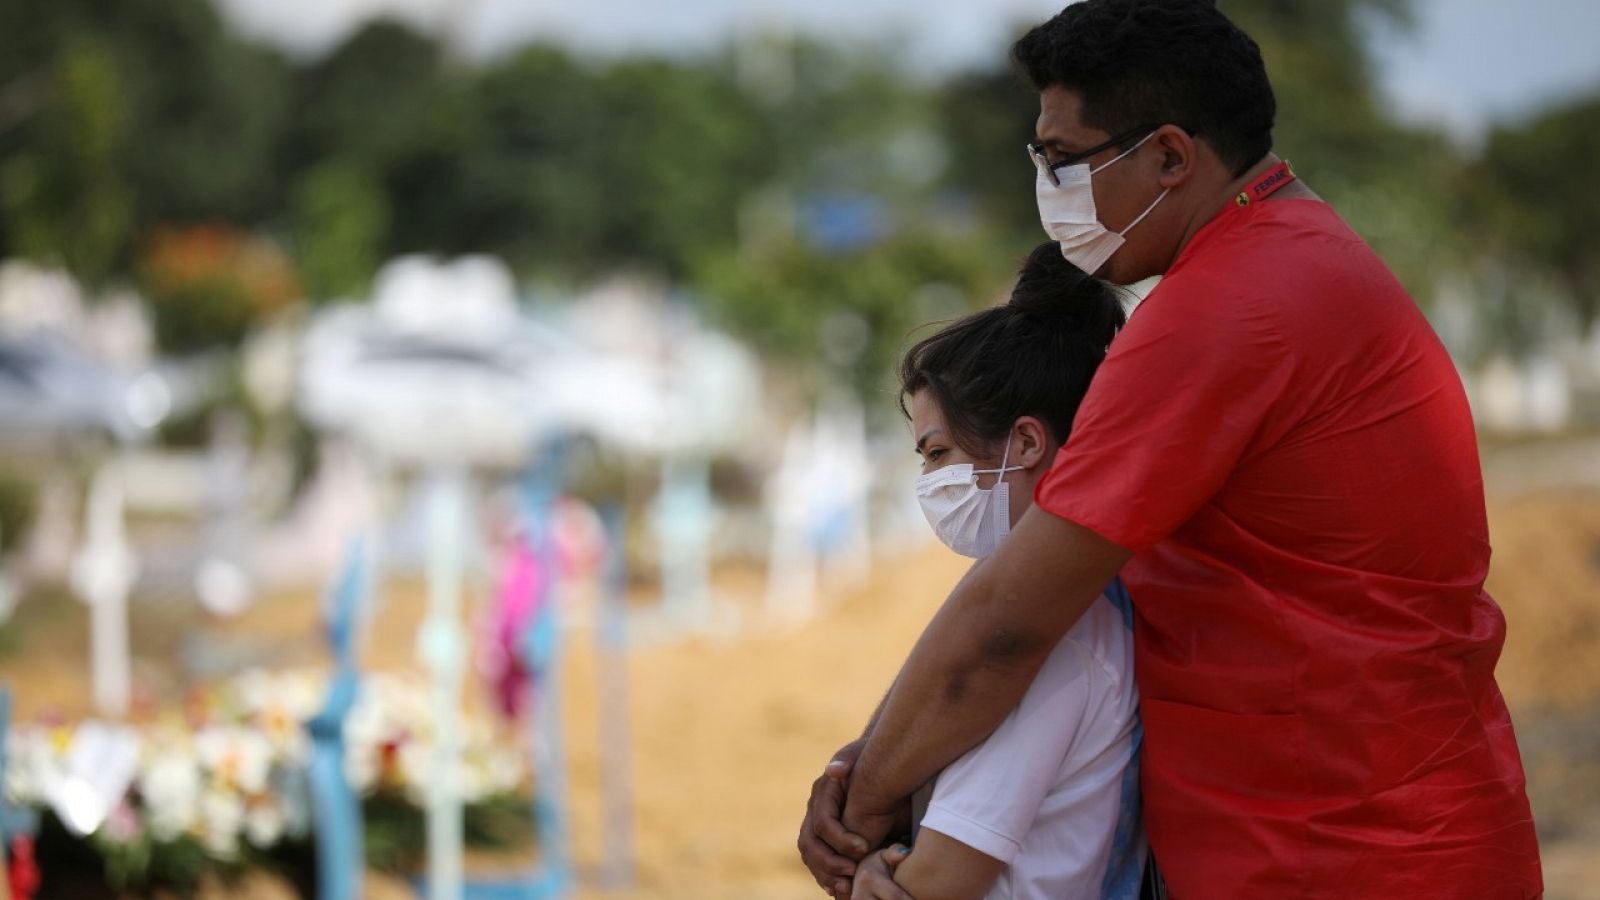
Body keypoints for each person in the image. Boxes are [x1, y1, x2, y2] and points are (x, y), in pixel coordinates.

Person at [797, 2, 1543, 898]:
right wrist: (886, 756)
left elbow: (1007, 621)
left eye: (1064, 159)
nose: (1048, 185)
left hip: (1341, 851)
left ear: (1171, 156)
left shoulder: (1230, 306)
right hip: (1389, 826)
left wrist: (860, 803)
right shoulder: (1298, 261)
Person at [849, 243, 1144, 900]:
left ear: (1027, 444)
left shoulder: (1039, 642)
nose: (928, 482)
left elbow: (940, 881)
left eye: (937, 453)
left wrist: (878, 870)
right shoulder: (1095, 604)